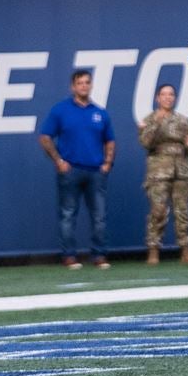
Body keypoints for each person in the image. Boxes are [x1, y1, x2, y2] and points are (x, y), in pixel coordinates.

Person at [38, 69, 115, 270]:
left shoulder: (99, 113)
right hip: (70, 171)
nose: (84, 86)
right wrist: (58, 160)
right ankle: (69, 256)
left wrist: (107, 163)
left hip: (95, 172)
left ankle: (99, 255)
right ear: (73, 86)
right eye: (80, 83)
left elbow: (110, 141)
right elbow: (45, 137)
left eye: (87, 82)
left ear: (91, 85)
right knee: (68, 214)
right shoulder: (60, 110)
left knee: (99, 216)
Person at [139, 83, 188, 265]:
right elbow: (146, 142)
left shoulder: (184, 121)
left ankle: (185, 251)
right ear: (157, 98)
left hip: (181, 171)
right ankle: (153, 251)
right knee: (157, 211)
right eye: (164, 94)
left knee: (182, 212)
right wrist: (157, 124)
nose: (168, 98)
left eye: (171, 94)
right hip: (158, 172)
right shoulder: (150, 120)